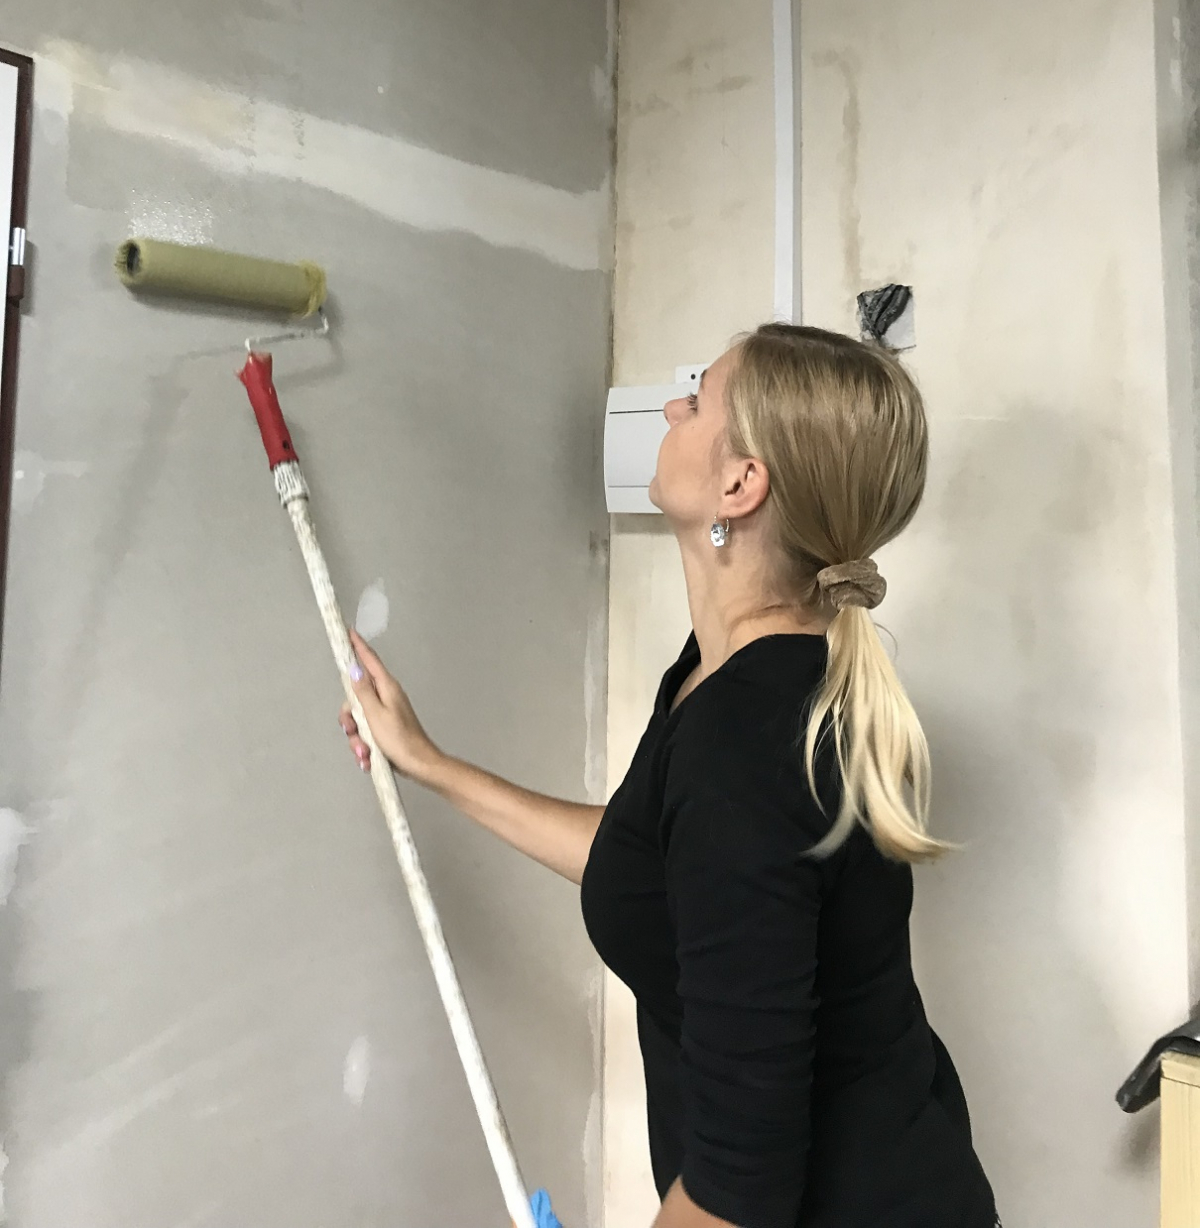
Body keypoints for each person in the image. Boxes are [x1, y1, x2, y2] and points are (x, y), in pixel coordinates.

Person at [340, 323, 999, 1228]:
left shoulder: (746, 743)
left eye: (697, 399)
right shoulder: (735, 677)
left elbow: (736, 1192)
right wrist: (431, 764)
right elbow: (650, 860)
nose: (673, 407)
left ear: (740, 483)